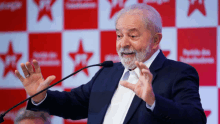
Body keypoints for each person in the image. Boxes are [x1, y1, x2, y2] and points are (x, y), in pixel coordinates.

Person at [15, 4, 206, 124]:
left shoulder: (178, 73)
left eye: (132, 35)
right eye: (119, 35)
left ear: (155, 40)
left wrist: (153, 101)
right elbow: (73, 104)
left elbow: (195, 119)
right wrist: (41, 97)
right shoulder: (108, 72)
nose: (123, 43)